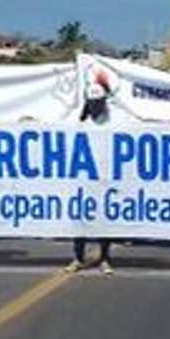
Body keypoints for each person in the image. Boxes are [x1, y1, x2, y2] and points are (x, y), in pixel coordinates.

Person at [67, 81, 114, 274]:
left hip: (105, 176)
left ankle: (104, 258)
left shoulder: (112, 121)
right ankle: (78, 257)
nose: (96, 107)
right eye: (92, 103)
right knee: (80, 219)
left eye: (98, 103)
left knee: (104, 219)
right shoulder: (79, 121)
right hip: (83, 176)